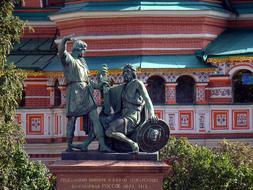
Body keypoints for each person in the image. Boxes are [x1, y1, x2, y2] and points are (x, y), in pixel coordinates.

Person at [58, 35, 111, 152]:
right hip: (75, 92)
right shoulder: (70, 60)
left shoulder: (83, 63)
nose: (84, 53)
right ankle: (69, 146)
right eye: (83, 50)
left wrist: (100, 80)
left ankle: (102, 145)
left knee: (95, 118)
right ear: (78, 49)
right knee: (72, 120)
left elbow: (90, 81)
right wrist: (65, 40)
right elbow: (61, 52)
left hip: (86, 92)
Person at [104, 64, 158, 152]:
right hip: (122, 115)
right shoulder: (124, 87)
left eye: (127, 72)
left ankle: (132, 144)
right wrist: (104, 87)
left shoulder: (137, 83)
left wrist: (152, 114)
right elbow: (111, 92)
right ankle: (106, 147)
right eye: (124, 72)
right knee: (103, 120)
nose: (125, 74)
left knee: (109, 131)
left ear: (133, 73)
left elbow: (147, 100)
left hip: (132, 117)